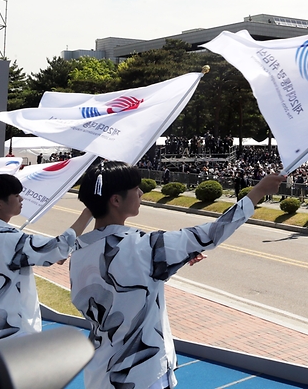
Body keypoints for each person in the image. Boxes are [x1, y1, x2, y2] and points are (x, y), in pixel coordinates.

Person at [70, 161, 285, 389]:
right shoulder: (145, 246)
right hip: (143, 375)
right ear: (115, 200)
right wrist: (258, 191)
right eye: (135, 188)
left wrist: (171, 261)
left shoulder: (79, 252)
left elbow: (126, 285)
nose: (141, 193)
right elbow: (211, 234)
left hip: (99, 373)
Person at [0, 173, 93, 350]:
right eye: (16, 195)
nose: (21, 199)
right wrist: (88, 213)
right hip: (11, 335)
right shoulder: (8, 238)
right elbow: (58, 248)